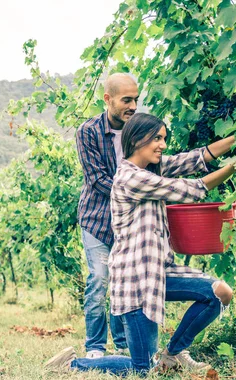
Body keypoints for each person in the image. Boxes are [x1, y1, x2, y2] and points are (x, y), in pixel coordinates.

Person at [46, 113, 236, 375]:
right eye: (157, 138)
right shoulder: (131, 178)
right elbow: (192, 189)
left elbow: (197, 158)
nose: (163, 145)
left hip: (160, 272)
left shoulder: (151, 168)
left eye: (164, 138)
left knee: (220, 293)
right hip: (136, 283)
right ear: (137, 139)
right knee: (142, 369)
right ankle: (72, 364)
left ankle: (173, 354)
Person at [75, 73, 139, 357]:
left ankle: (124, 343)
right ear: (108, 99)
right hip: (97, 220)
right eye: (126, 100)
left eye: (136, 99)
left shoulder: (138, 130)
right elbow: (97, 179)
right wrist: (139, 191)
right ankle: (96, 346)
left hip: (128, 221)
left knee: (124, 281)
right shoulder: (87, 132)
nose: (133, 106)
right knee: (100, 280)